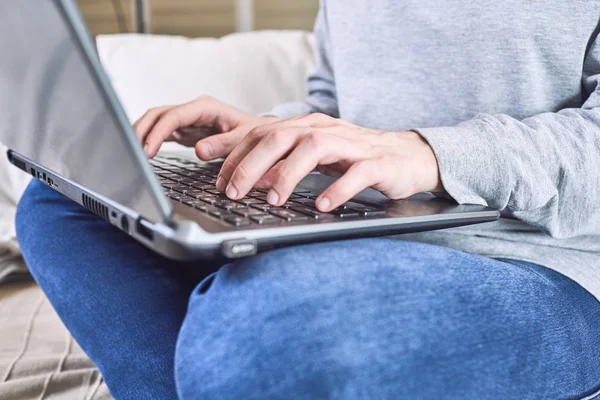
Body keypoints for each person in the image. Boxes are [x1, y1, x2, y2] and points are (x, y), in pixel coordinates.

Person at [16, 1, 600, 399]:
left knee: (260, 327)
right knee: (63, 204)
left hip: (539, 261)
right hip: (355, 222)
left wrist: (430, 153)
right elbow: (335, 101)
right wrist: (264, 133)